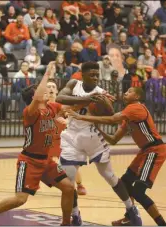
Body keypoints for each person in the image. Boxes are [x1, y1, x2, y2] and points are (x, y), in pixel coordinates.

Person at [56, 61, 142, 226]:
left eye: (97, 75)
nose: (96, 77)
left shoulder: (101, 92)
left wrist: (103, 102)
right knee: (68, 182)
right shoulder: (74, 84)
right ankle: (75, 216)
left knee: (109, 176)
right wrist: (88, 99)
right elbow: (60, 98)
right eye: (92, 75)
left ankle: (131, 210)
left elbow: (110, 115)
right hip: (72, 136)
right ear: (83, 75)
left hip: (92, 137)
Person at [0, 64, 74, 226]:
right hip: (29, 162)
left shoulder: (51, 107)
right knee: (20, 199)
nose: (47, 92)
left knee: (69, 188)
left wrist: (91, 95)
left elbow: (70, 106)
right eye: (42, 91)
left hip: (45, 161)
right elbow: (37, 98)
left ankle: (66, 223)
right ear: (35, 97)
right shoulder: (30, 112)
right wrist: (47, 74)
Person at [68, 86, 166, 226]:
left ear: (137, 97)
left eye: (129, 91)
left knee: (138, 192)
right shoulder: (129, 117)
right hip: (144, 151)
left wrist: (81, 117)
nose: (126, 93)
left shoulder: (136, 108)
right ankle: (130, 217)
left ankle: (161, 223)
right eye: (126, 91)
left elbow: (113, 119)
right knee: (125, 182)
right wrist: (98, 128)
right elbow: (114, 140)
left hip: (154, 150)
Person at [46, 79, 87, 196]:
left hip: (62, 139)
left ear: (57, 91)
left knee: (70, 163)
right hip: (48, 141)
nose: (51, 89)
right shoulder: (42, 106)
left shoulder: (61, 106)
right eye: (48, 87)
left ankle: (79, 184)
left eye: (53, 87)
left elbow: (73, 117)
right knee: (40, 162)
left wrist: (67, 121)